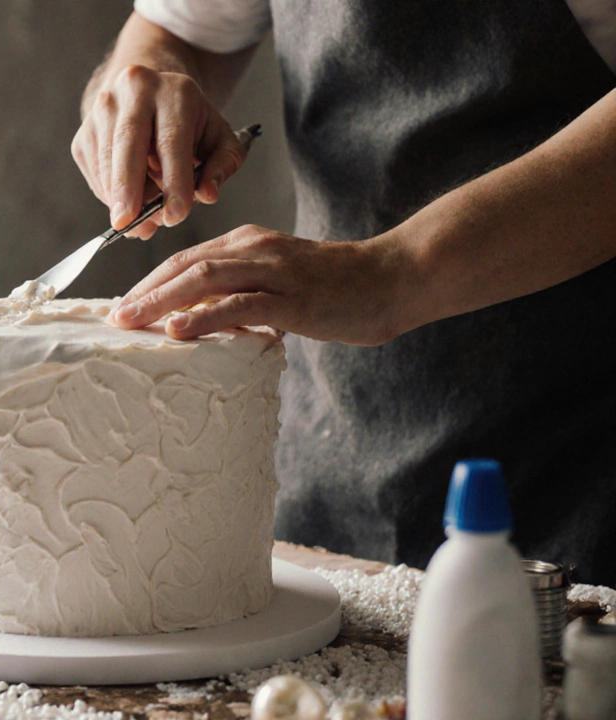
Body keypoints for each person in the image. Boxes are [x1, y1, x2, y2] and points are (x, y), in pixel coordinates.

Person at [74, 1, 616, 584]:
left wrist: (393, 274)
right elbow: (182, 29)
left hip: (576, 462)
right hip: (329, 443)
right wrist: (146, 81)